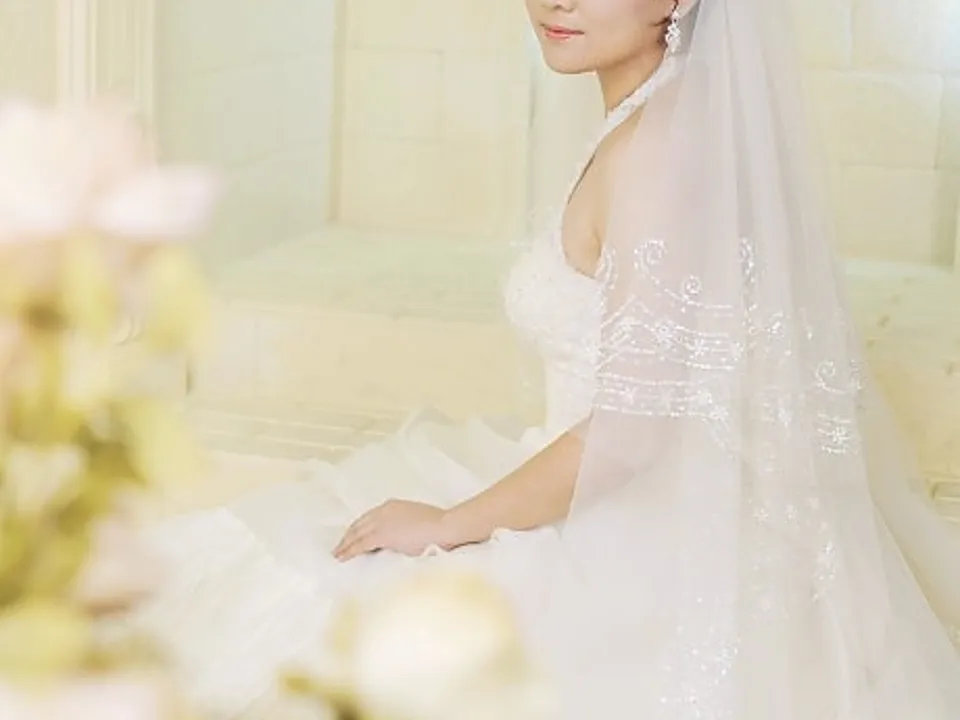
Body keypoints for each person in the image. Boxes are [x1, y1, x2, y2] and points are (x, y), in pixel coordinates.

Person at [136, 0, 960, 717]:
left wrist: (450, 527)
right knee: (292, 564)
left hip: (638, 528)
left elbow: (635, 434)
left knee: (332, 608)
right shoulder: (653, 114)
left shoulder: (659, 150)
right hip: (594, 474)